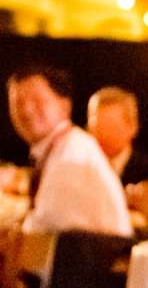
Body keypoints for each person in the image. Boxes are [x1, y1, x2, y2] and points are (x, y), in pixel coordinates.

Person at [7, 67, 131, 237]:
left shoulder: (73, 150)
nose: (27, 110)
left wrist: (13, 229)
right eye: (18, 103)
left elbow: (49, 222)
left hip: (94, 260)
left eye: (37, 100)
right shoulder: (59, 147)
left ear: (64, 106)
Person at [86, 87, 148, 188]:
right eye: (97, 127)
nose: (103, 135)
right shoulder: (81, 169)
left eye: (111, 127)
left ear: (132, 127)